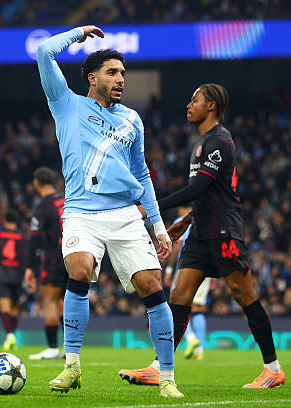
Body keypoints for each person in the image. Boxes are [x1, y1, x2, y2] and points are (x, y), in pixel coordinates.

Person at [36, 25, 183, 398]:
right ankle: (72, 366)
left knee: (153, 287)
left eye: (123, 73)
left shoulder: (132, 119)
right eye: (112, 72)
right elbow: (43, 51)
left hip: (125, 215)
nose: (120, 79)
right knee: (79, 270)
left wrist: (158, 226)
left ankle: (167, 377)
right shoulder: (66, 103)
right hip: (81, 213)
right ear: (92, 78)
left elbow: (142, 175)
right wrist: (78, 33)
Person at [118, 84, 285, 388]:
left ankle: (273, 369)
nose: (188, 105)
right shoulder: (202, 142)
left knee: (244, 295)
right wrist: (187, 219)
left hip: (224, 231)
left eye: (194, 100)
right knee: (180, 295)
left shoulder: (219, 141)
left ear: (211, 106)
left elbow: (198, 189)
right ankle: (159, 366)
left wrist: (151, 207)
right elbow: (208, 193)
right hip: (200, 232)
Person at [24, 167, 66, 360]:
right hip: (72, 256)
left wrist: (29, 267)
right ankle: (70, 347)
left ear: (36, 183)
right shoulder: (66, 200)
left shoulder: (42, 206)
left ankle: (52, 348)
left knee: (49, 300)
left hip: (53, 259)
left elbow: (34, 239)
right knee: (64, 301)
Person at [163, 206, 210, 361]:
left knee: (178, 305)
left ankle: (191, 338)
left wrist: (169, 270)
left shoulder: (181, 221)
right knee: (198, 308)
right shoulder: (207, 219)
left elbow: (177, 247)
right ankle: (200, 349)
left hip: (186, 269)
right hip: (206, 268)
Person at [0, 210, 28, 351]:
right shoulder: (22, 235)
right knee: (14, 307)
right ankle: (12, 335)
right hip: (18, 274)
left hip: (3, 273)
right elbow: (25, 256)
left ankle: (9, 335)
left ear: (5, 220)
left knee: (4, 307)